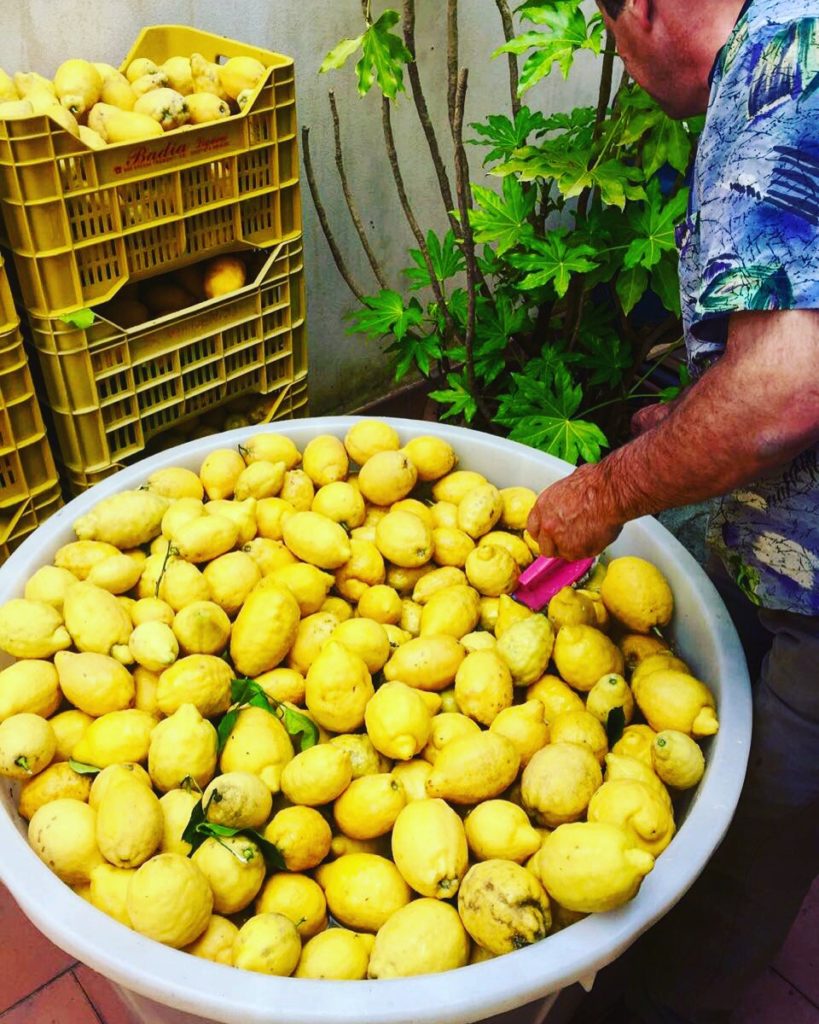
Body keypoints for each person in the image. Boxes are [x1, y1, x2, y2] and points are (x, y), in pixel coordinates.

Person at [526, 1, 819, 1022]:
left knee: (754, 826)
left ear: (639, 11)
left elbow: (784, 387)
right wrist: (697, 419)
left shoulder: (771, 83)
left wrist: (610, 487)